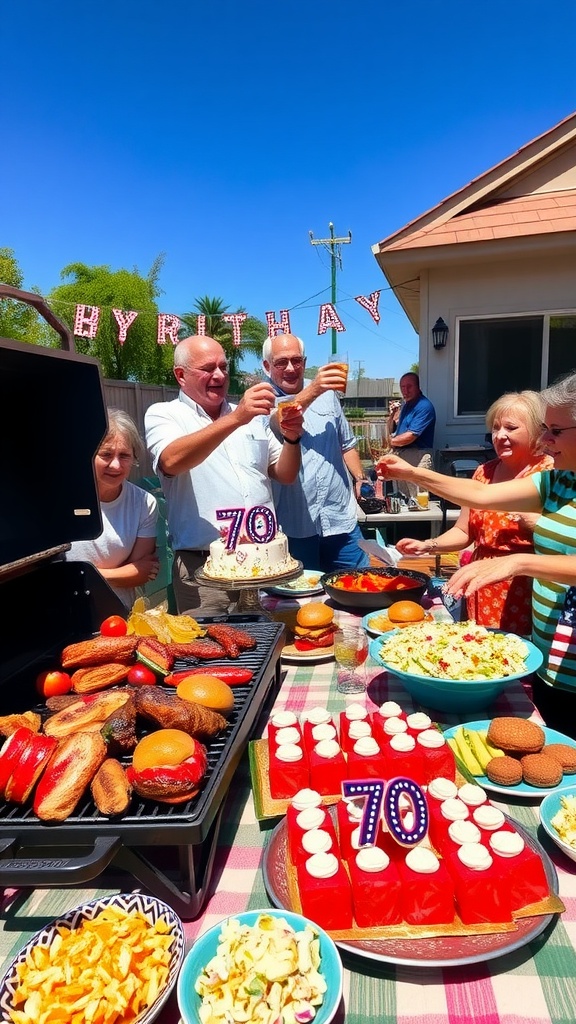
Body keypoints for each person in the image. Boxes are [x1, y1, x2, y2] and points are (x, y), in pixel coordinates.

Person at [375, 370, 576, 738]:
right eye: (545, 428)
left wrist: (519, 560)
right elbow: (479, 497)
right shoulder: (560, 479)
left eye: (555, 431)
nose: (547, 440)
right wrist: (413, 474)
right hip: (553, 648)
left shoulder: (549, 470)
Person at [145, 335, 303, 614]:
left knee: (271, 648)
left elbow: (285, 474)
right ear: (181, 375)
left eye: (223, 367)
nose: (219, 375)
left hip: (263, 564)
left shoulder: (252, 417)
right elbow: (171, 460)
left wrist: (292, 438)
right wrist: (235, 419)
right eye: (207, 369)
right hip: (204, 571)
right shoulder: (164, 414)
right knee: (210, 654)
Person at [395, 391, 553, 633]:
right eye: (496, 428)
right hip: (480, 586)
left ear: (535, 431)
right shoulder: (484, 473)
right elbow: (463, 530)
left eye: (511, 428)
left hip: (527, 590)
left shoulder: (550, 473)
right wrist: (429, 545)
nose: (500, 436)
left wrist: (538, 523)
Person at [262, 333, 370, 573]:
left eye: (296, 360)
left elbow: (347, 444)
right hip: (294, 525)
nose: (290, 368)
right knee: (300, 603)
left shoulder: (329, 396)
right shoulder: (261, 401)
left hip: (340, 518)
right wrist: (315, 389)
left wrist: (360, 478)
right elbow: (279, 421)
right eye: (281, 362)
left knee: (361, 586)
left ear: (305, 361)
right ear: (267, 366)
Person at [66, 409, 159, 610]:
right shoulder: (62, 499)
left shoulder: (144, 503)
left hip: (119, 614)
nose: (115, 465)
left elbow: (140, 573)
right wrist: (118, 573)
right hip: (65, 611)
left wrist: (76, 575)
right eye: (106, 454)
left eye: (124, 455)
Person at [387, 372, 436, 500]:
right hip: (403, 459)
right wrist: (392, 415)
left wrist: (387, 442)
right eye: (402, 387)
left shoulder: (424, 406)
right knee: (402, 501)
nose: (405, 391)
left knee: (419, 502)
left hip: (418, 460)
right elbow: (392, 430)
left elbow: (410, 436)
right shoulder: (405, 405)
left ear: (418, 387)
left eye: (409, 386)